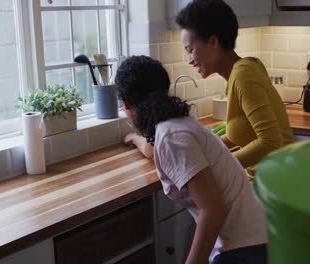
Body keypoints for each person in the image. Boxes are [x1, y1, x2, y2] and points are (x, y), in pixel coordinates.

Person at [115, 55, 268, 264]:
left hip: (244, 249)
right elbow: (154, 150)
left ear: (126, 105)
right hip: (256, 236)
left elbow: (213, 209)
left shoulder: (170, 136)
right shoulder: (175, 125)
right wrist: (135, 139)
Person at [176, 0, 294, 177]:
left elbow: (270, 142)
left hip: (274, 184)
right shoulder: (244, 69)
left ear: (214, 41)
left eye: (190, 50)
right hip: (267, 179)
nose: (189, 59)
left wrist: (217, 168)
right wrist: (203, 152)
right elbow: (236, 136)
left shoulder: (243, 75)